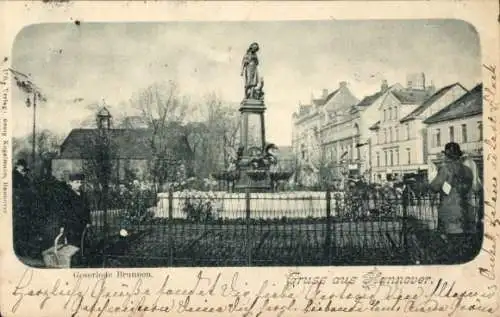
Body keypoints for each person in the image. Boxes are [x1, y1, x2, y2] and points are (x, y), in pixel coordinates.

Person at [429, 142, 473, 263]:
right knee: (462, 244)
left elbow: (434, 187)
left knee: (449, 245)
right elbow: (468, 188)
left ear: (447, 156)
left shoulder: (446, 169)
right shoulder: (468, 170)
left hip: (448, 211)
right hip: (465, 210)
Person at [62, 173, 91, 247]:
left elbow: (87, 210)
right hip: (72, 227)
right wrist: (63, 226)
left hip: (83, 225)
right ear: (71, 183)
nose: (79, 184)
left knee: (83, 245)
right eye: (77, 182)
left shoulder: (83, 195)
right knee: (73, 246)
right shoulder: (67, 195)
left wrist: (88, 222)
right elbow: (64, 212)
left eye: (81, 182)